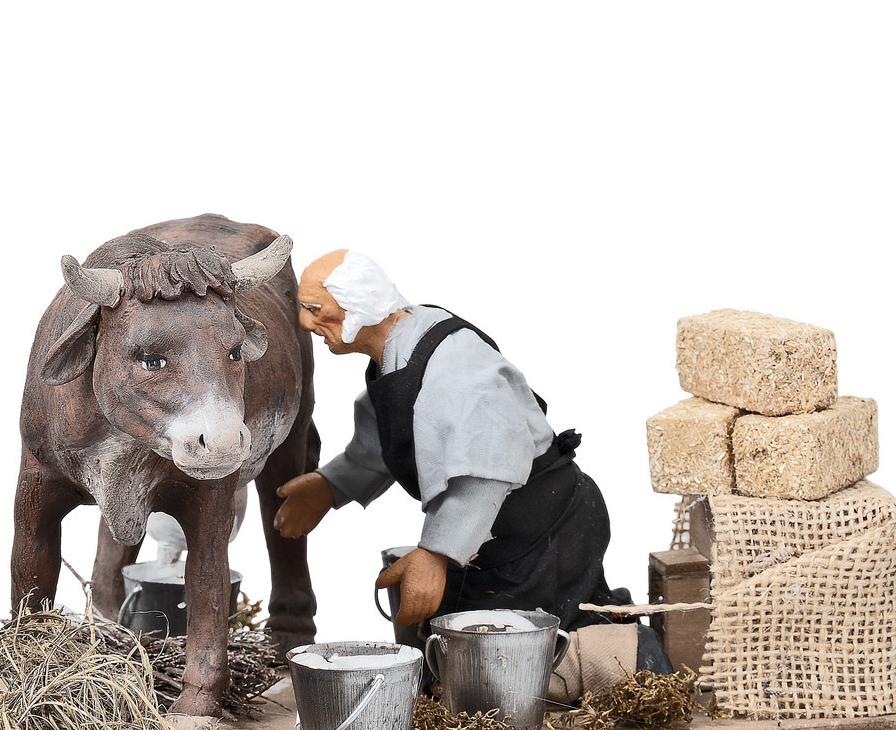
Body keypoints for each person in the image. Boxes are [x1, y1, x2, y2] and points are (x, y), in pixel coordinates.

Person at [274, 250, 670, 694]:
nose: (305, 323)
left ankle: (634, 659)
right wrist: (332, 485)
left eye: (315, 309)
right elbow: (390, 440)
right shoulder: (395, 350)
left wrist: (435, 554)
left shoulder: (455, 369)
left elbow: (486, 472)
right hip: (489, 536)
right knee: (464, 650)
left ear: (358, 306)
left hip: (543, 526)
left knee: (514, 654)